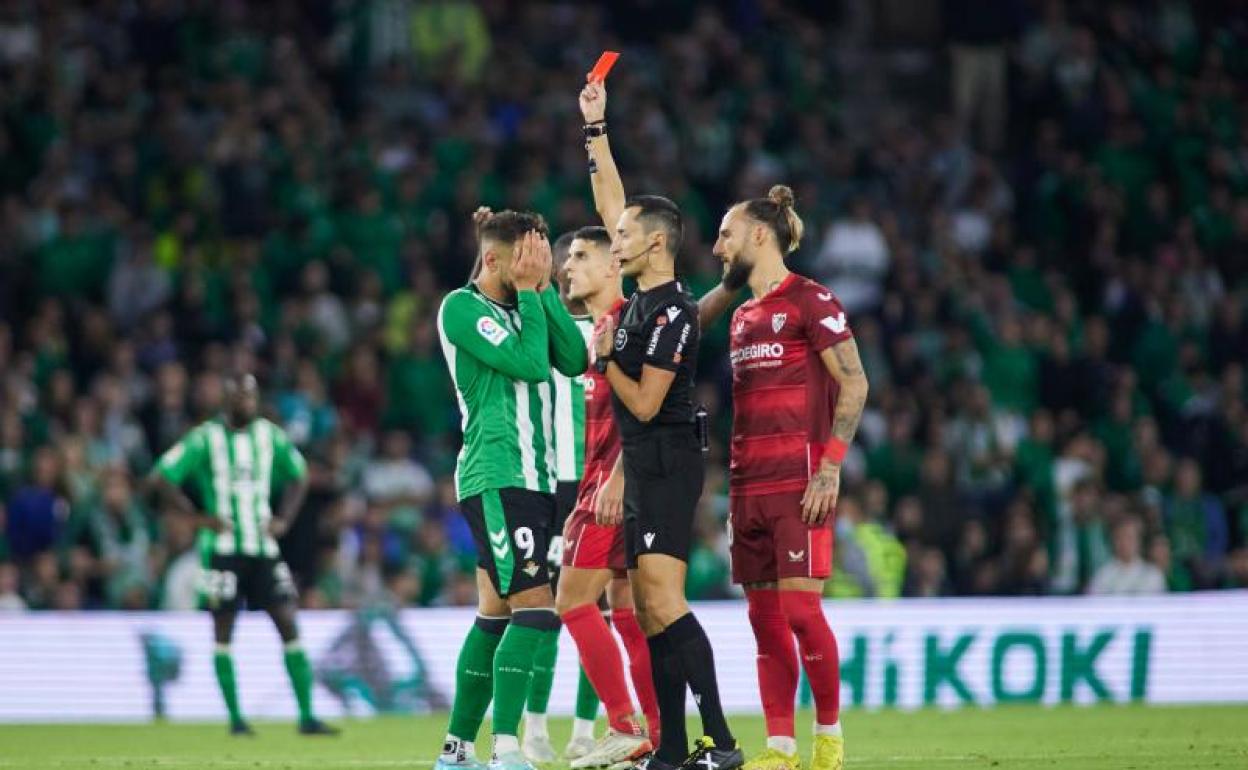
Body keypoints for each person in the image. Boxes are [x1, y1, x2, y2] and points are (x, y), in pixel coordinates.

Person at [580, 80, 743, 770]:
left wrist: (605, 355)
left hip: (669, 460)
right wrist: (596, 130)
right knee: (646, 611)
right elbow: (614, 204)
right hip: (647, 462)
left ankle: (723, 743)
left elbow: (644, 404)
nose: (611, 240)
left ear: (653, 247)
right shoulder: (643, 298)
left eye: (622, 239)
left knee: (665, 604)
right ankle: (672, 749)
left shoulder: (671, 312)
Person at [709, 185, 871, 770]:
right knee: (763, 621)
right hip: (746, 484)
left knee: (802, 614)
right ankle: (779, 748)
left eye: (726, 234)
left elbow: (855, 384)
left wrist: (830, 468)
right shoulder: (742, 315)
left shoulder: (811, 299)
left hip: (800, 482)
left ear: (760, 234)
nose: (716, 246)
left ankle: (828, 737)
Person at [433, 210, 588, 770]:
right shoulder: (461, 308)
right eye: (530, 256)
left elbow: (574, 358)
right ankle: (504, 751)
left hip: (538, 478)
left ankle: (454, 752)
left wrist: (541, 290)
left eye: (543, 256)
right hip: (497, 475)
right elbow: (529, 365)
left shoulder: (531, 295)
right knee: (537, 611)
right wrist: (529, 290)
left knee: (495, 613)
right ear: (495, 258)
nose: (541, 265)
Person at [147, 373, 336, 737]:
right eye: (239, 395)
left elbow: (300, 475)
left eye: (251, 395)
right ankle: (235, 718)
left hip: (263, 548)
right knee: (223, 628)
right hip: (223, 550)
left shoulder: (270, 435)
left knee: (287, 619)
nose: (246, 402)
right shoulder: (205, 438)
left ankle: (307, 716)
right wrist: (197, 516)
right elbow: (162, 477)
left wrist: (284, 519)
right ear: (227, 399)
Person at [555, 225, 661, 770]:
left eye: (578, 257)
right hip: (617, 481)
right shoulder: (604, 326)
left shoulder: (627, 324)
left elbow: (649, 409)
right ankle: (656, 734)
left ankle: (623, 725)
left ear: (609, 266)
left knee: (572, 601)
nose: (567, 266)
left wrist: (616, 478)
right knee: (626, 611)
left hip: (611, 484)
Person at [521, 229, 605, 764]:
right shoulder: (543, 328)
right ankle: (533, 728)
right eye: (564, 259)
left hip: (598, 482)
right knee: (544, 613)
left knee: (590, 610)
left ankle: (584, 730)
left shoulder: (612, 328)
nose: (567, 268)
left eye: (577, 259)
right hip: (550, 485)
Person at [1087, 517, 1167, 595]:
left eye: (1129, 537)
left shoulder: (1153, 575)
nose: (1125, 543)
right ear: (1113, 541)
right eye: (1120, 537)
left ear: (1139, 540)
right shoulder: (1103, 575)